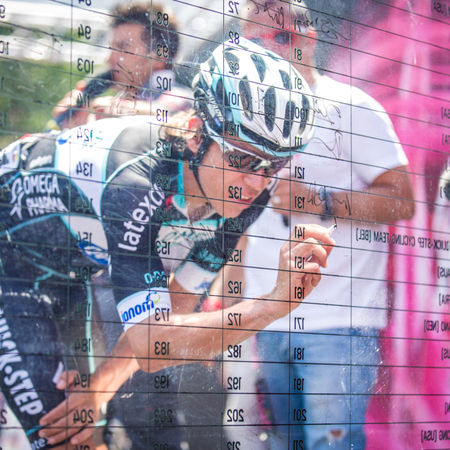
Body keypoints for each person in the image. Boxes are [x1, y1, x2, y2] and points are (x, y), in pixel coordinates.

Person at [0, 38, 334, 449]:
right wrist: (271, 305)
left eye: (275, 164)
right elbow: (153, 344)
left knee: (85, 423)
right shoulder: (135, 182)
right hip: (9, 260)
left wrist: (99, 388)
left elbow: (176, 304)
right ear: (195, 133)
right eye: (244, 159)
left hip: (70, 267)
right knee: (62, 436)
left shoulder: (248, 194)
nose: (257, 181)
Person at [220, 1, 415, 449]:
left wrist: (319, 202)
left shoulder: (351, 107)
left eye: (271, 39)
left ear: (305, 40)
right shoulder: (245, 114)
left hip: (338, 321)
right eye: (248, 43)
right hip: (268, 317)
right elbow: (243, 228)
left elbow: (401, 199)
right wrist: (232, 320)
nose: (258, 53)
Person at [51, 1, 191, 129]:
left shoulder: (181, 99)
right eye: (112, 49)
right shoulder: (115, 107)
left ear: (160, 56)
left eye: (123, 47)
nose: (109, 59)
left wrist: (122, 110)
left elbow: (175, 112)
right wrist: (78, 126)